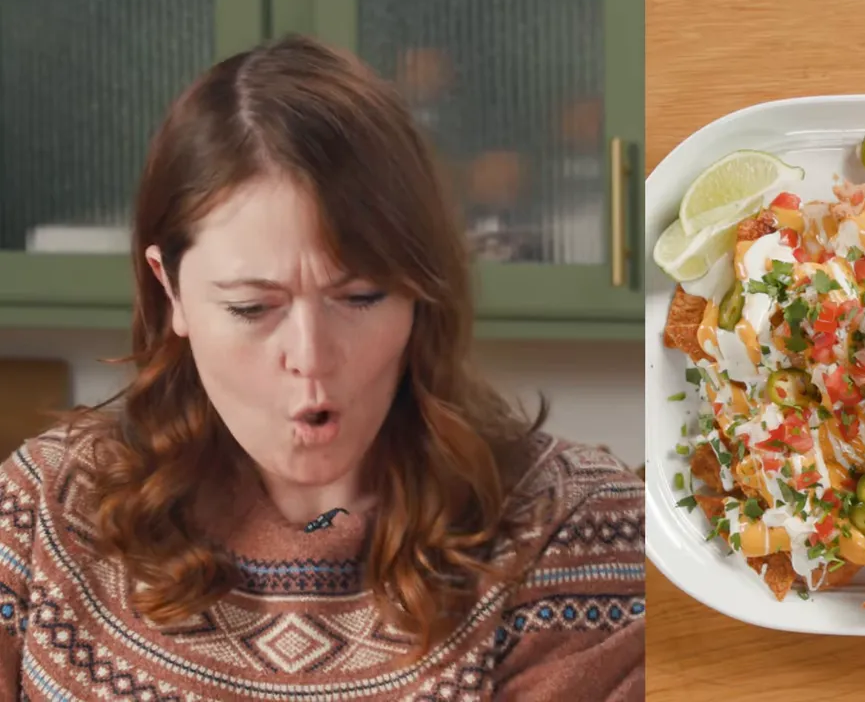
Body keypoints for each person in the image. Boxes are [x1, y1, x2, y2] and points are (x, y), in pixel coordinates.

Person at [0, 35, 644, 701]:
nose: (310, 358)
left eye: (361, 297)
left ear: (421, 294)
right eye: (252, 307)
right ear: (171, 293)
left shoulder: (575, 526)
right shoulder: (37, 511)